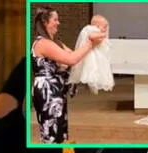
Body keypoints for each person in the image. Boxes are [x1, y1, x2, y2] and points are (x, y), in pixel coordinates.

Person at [31, 7, 104, 143]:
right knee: (51, 134)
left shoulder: (56, 43)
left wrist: (91, 37)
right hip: (48, 92)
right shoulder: (43, 43)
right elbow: (71, 60)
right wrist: (90, 43)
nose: (58, 23)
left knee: (60, 131)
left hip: (56, 92)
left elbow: (75, 56)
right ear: (45, 22)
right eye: (55, 20)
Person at [69, 15, 115, 94]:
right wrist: (103, 35)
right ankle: (74, 86)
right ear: (96, 26)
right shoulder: (91, 29)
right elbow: (91, 36)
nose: (105, 30)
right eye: (104, 27)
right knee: (91, 70)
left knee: (98, 71)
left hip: (98, 55)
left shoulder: (97, 31)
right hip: (91, 55)